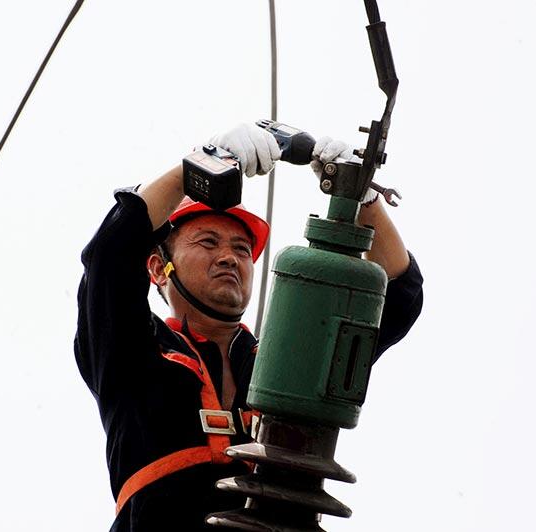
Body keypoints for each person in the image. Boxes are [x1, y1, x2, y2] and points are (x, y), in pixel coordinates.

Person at [74, 123, 423, 531]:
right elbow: (110, 256)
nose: (229, 257)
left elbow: (398, 296)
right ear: (157, 268)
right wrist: (198, 169)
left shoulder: (289, 361)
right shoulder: (133, 351)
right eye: (208, 242)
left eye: (241, 249)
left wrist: (363, 200)